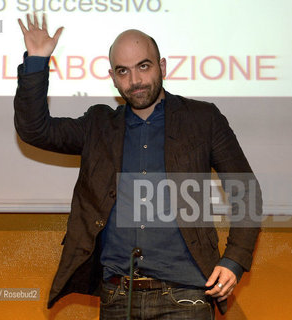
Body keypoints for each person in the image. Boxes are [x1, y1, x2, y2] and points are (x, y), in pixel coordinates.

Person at [15, 13, 262, 320]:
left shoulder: (203, 119)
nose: (135, 81)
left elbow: (245, 190)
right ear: (113, 76)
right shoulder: (98, 124)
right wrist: (37, 61)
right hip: (118, 296)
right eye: (123, 71)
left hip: (186, 295)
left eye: (143, 66)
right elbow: (35, 130)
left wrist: (234, 259)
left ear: (162, 67)